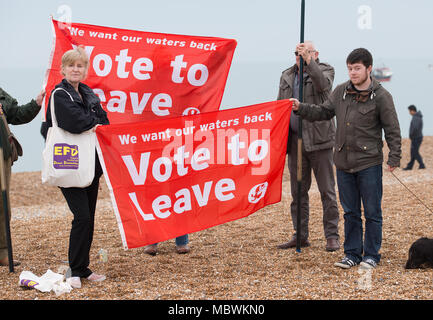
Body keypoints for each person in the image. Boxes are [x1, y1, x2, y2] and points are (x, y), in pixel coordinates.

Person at [290, 48, 401, 269]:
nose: (353, 72)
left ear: (369, 68)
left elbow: (393, 130)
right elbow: (323, 112)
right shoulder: (340, 92)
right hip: (343, 163)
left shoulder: (382, 96)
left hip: (369, 163)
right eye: (350, 68)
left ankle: (371, 255)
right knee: (350, 213)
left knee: (372, 212)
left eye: (357, 68)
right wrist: (301, 108)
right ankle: (351, 254)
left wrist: (394, 157)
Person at [40, 47, 109, 288]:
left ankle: (83, 268)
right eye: (71, 65)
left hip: (89, 165)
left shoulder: (88, 92)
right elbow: (75, 122)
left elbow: (105, 119)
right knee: (81, 217)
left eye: (80, 65)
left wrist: (95, 121)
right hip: (67, 163)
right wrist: (94, 122)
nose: (76, 69)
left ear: (86, 70)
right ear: (63, 69)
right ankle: (73, 271)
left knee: (88, 218)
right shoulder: (59, 94)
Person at [276, 41, 340, 252]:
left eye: (304, 52)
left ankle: (332, 235)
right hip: (295, 142)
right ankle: (300, 234)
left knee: (327, 191)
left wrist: (309, 62)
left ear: (315, 54)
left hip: (320, 140)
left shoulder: (324, 69)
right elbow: (279, 105)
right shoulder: (286, 75)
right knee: (298, 191)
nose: (299, 56)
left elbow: (324, 86)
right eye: (297, 53)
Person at [0, 87, 45, 267]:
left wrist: (36, 104)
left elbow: (16, 115)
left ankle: (3, 251)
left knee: (2, 204)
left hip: (1, 152)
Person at [403, 105, 425, 170]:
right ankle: (410, 166)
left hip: (416, 137)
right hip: (417, 137)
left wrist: (411, 135)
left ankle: (422, 165)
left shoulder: (416, 117)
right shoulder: (417, 117)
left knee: (414, 152)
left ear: (412, 110)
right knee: (413, 152)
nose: (409, 113)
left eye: (409, 111)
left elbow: (415, 128)